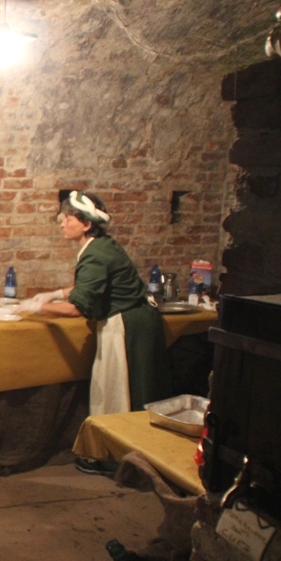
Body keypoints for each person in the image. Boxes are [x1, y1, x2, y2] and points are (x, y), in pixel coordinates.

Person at [15, 191, 171, 473]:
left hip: (128, 326)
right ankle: (130, 455)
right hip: (137, 319)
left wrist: (39, 307)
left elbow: (78, 308)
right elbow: (93, 285)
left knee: (120, 390)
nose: (62, 223)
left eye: (68, 218)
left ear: (86, 224)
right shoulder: (102, 246)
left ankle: (118, 458)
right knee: (134, 388)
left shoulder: (95, 254)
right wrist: (56, 293)